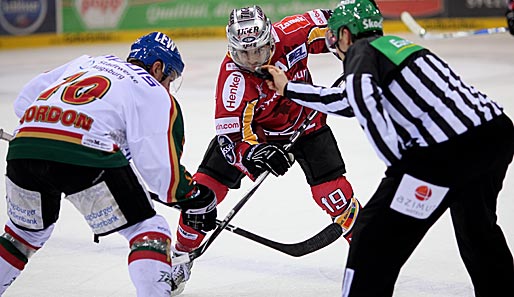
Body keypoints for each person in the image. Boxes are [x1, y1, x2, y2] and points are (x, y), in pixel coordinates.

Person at [263, 1, 514, 296]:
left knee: (371, 239)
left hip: (447, 152)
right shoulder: (395, 47)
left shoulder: (360, 52)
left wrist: (398, 169)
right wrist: (289, 88)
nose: (333, 43)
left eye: (334, 36)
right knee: (478, 231)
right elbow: (346, 101)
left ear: (346, 35)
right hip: (495, 135)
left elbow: (365, 103)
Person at [0, 31, 218, 296]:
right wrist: (193, 195)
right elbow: (165, 179)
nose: (168, 88)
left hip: (25, 147)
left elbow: (24, 102)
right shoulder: (151, 89)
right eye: (169, 79)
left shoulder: (87, 62)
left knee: (22, 236)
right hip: (86, 154)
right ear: (158, 67)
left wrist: (54, 126)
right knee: (149, 230)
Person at [170, 5, 364, 294]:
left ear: (271, 39)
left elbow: (338, 23)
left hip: (306, 123)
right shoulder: (233, 80)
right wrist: (254, 155)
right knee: (202, 196)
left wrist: (357, 42)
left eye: (258, 51)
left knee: (335, 195)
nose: (250, 60)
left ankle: (367, 254)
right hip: (258, 137)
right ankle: (180, 256)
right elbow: (230, 141)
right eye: (243, 53)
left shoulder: (293, 33)